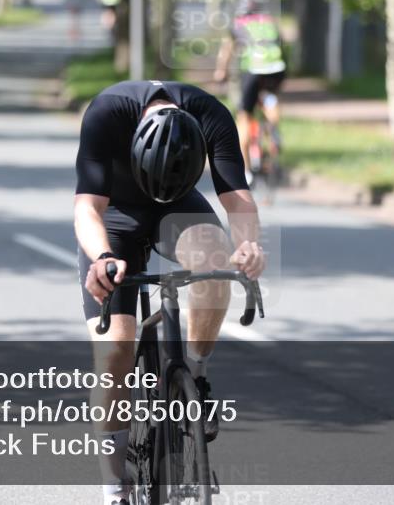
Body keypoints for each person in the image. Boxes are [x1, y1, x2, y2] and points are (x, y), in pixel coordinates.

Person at [75, 79, 266, 505]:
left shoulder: (210, 113)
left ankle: (193, 380)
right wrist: (103, 257)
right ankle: (114, 489)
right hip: (117, 217)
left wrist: (248, 245)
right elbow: (87, 207)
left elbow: (237, 197)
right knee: (115, 351)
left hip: (179, 208)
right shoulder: (107, 112)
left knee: (216, 263)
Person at [214, 0, 286, 181]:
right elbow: (281, 44)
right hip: (276, 68)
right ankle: (274, 127)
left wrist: (221, 72)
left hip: (253, 69)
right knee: (270, 98)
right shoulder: (269, 22)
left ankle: (246, 171)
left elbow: (227, 51)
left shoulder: (238, 24)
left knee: (244, 116)